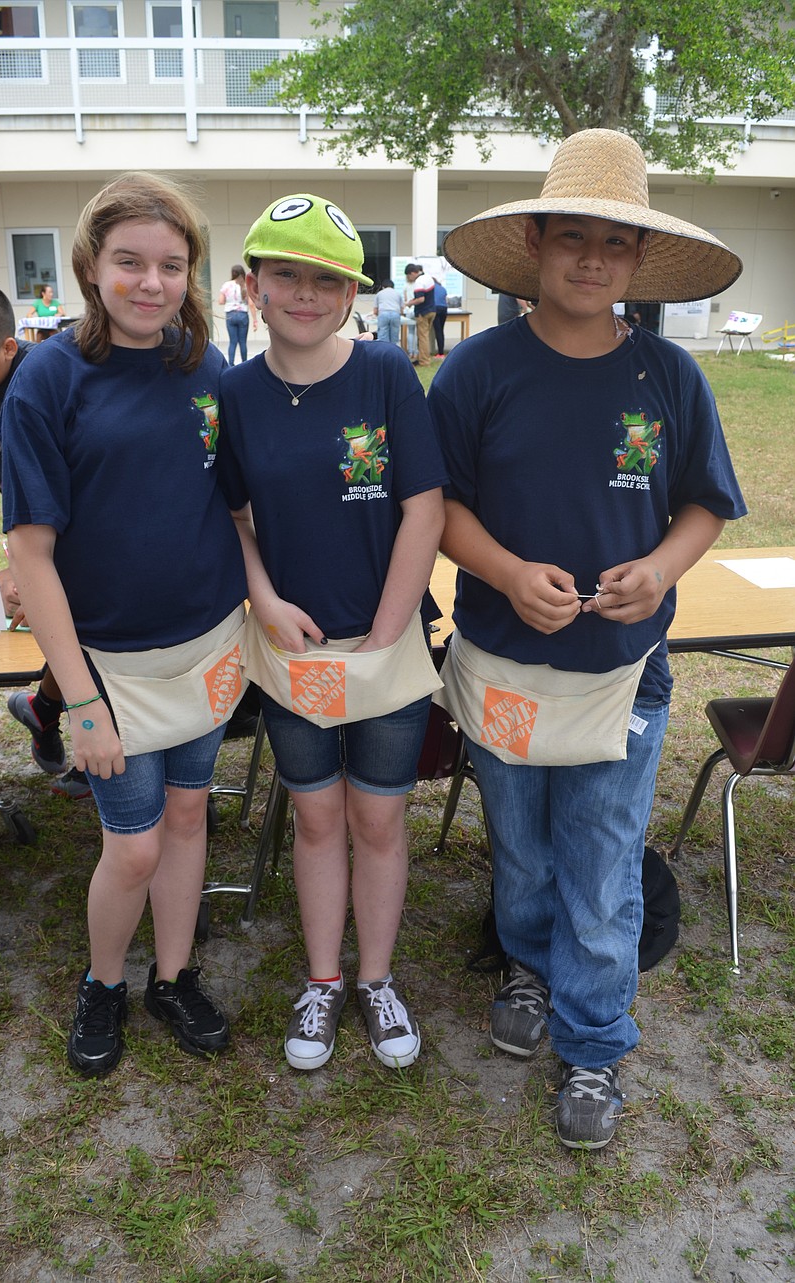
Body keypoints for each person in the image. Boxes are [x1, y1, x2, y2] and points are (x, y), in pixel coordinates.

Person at [427, 129, 746, 1150]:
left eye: (615, 241)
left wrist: (660, 566)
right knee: (520, 853)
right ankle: (525, 960)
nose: (592, 259)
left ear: (639, 259)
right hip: (503, 667)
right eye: (573, 237)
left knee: (601, 860)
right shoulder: (475, 371)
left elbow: (703, 503)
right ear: (535, 242)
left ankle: (596, 1039)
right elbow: (438, 508)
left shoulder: (669, 377)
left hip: (624, 674)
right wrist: (508, 572)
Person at [0, 171, 249, 1077]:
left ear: (193, 272)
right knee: (133, 843)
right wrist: (80, 700)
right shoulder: (47, 378)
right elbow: (32, 553)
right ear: (91, 266)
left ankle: (172, 976)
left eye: (172, 265)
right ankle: (105, 982)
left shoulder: (207, 368)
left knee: (188, 819)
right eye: (130, 262)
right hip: (108, 664)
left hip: (209, 647)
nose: (152, 283)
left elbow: (233, 511)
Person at [219, 193, 447, 1073]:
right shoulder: (235, 393)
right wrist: (266, 601)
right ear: (253, 286)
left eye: (327, 280)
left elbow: (424, 511)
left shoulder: (388, 374)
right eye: (288, 275)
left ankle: (377, 978)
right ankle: (322, 979)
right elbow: (234, 516)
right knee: (317, 820)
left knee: (378, 822)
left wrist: (387, 637)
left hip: (383, 646)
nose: (306, 295)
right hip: (294, 653)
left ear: (352, 292)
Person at [0, 282, 91, 803]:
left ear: (9, 348)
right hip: (33, 530)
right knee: (57, 621)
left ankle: (69, 731)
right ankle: (49, 714)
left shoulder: (44, 375)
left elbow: (78, 480)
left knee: (94, 621)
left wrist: (31, 570)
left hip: (83, 523)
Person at [218, 263, 257, 364]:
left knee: (232, 342)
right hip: (243, 314)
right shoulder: (245, 285)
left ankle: (230, 364)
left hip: (230, 315)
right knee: (243, 342)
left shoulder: (226, 285)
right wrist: (255, 320)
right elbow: (251, 304)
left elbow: (221, 301)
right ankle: (245, 363)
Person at [403, 263, 436, 367]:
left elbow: (421, 299)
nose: (409, 278)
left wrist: (408, 303)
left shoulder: (419, 281)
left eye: (408, 276)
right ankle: (421, 357)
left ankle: (424, 361)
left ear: (413, 273)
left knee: (422, 337)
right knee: (425, 336)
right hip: (432, 310)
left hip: (423, 312)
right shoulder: (428, 278)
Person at [373, 277, 403, 345]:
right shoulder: (398, 293)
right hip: (395, 314)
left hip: (383, 314)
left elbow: (375, 310)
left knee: (383, 336)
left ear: (383, 287)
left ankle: (384, 352)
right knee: (395, 336)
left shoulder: (379, 293)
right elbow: (402, 308)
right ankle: (394, 352)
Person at [431, 277, 448, 357]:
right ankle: (441, 351)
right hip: (444, 309)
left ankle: (440, 352)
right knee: (441, 330)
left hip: (435, 309)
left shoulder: (431, 288)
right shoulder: (443, 288)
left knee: (437, 331)